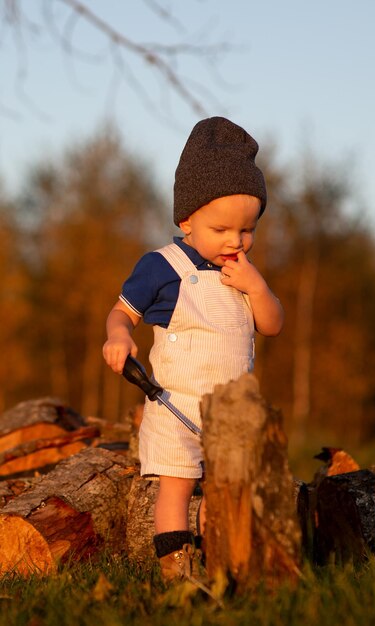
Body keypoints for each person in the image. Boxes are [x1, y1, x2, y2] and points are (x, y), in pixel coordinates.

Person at [102, 116, 284, 581]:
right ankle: (176, 568)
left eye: (247, 230)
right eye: (222, 228)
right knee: (177, 488)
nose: (235, 241)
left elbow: (272, 325)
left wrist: (257, 287)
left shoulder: (243, 272)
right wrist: (119, 335)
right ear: (187, 218)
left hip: (232, 413)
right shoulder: (161, 266)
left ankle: (222, 559)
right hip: (173, 401)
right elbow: (122, 313)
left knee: (228, 490)